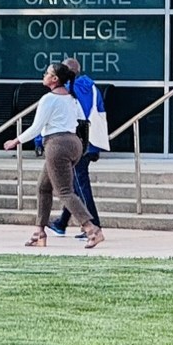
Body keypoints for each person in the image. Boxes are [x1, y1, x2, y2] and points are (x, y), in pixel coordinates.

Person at [6, 62, 104, 248]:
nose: (44, 75)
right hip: (74, 144)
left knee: (65, 191)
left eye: (47, 73)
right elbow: (81, 120)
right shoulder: (72, 98)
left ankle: (92, 229)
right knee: (43, 187)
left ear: (55, 79)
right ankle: (39, 232)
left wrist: (15, 141)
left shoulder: (48, 99)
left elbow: (36, 127)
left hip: (56, 145)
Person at [47, 58, 107, 239]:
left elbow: (65, 117)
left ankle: (93, 224)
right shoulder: (93, 88)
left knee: (79, 184)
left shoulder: (70, 91)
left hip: (76, 143)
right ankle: (62, 223)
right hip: (91, 141)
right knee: (72, 184)